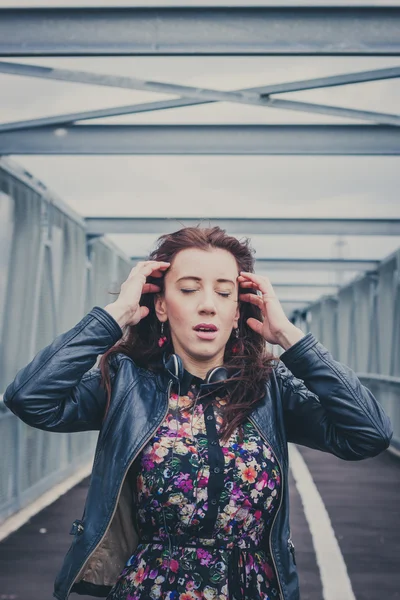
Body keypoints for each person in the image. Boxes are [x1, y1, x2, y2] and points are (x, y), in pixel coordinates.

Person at [3, 226, 393, 600]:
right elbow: (29, 398)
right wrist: (115, 314)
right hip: (150, 589)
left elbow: (369, 433)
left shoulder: (269, 389)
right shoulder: (127, 384)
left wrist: (292, 339)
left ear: (237, 312)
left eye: (225, 293)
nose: (208, 304)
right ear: (160, 305)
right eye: (189, 289)